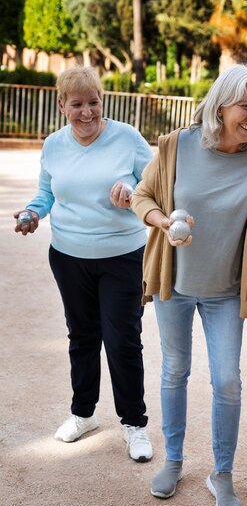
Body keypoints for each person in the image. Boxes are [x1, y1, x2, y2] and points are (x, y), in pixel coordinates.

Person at [130, 63, 247, 506]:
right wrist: (164, 222)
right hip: (176, 283)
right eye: (245, 106)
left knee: (227, 382)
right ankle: (173, 461)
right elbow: (142, 197)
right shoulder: (177, 144)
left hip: (225, 292)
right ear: (221, 104)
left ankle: (222, 473)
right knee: (174, 371)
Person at [14, 66, 154, 462]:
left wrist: (133, 191)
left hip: (122, 257)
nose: (87, 112)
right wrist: (32, 212)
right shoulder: (54, 144)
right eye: (77, 104)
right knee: (82, 337)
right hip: (69, 257)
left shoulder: (126, 137)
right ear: (62, 106)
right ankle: (83, 413)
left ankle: (134, 424)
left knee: (122, 340)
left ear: (101, 100)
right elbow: (46, 193)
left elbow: (157, 183)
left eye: (93, 102)